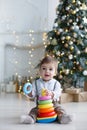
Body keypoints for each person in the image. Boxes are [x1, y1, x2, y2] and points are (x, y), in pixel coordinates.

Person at [20, 55, 72, 124]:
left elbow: (58, 92)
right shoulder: (36, 83)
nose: (47, 71)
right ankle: (31, 118)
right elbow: (33, 94)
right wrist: (29, 92)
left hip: (53, 105)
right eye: (44, 68)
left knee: (60, 109)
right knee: (34, 111)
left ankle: (63, 117)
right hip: (40, 106)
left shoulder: (56, 83)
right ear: (40, 71)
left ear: (55, 72)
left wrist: (52, 94)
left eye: (50, 69)